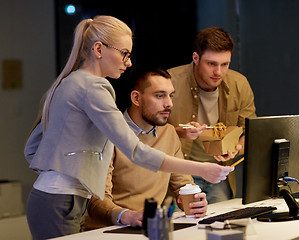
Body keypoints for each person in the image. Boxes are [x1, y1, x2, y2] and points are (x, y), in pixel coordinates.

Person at [24, 16, 233, 239]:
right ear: (98, 49)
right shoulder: (95, 87)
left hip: (51, 197)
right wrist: (202, 169)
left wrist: (62, 167)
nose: (129, 62)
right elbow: (136, 151)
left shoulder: (69, 81)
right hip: (62, 200)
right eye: (124, 53)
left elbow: (32, 148)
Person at [84, 67, 207, 230]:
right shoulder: (107, 135)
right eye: (159, 95)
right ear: (136, 98)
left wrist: (193, 203)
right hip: (108, 231)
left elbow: (182, 185)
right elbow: (95, 200)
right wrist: (126, 216)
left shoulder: (169, 133)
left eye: (170, 95)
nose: (169, 103)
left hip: (148, 228)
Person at [167, 27, 256, 204]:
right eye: (211, 64)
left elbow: (251, 132)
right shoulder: (169, 82)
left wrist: (235, 149)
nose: (219, 72)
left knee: (223, 225)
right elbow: (148, 133)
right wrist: (179, 133)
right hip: (178, 175)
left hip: (218, 173)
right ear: (196, 58)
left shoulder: (239, 84)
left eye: (225, 64)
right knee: (181, 229)